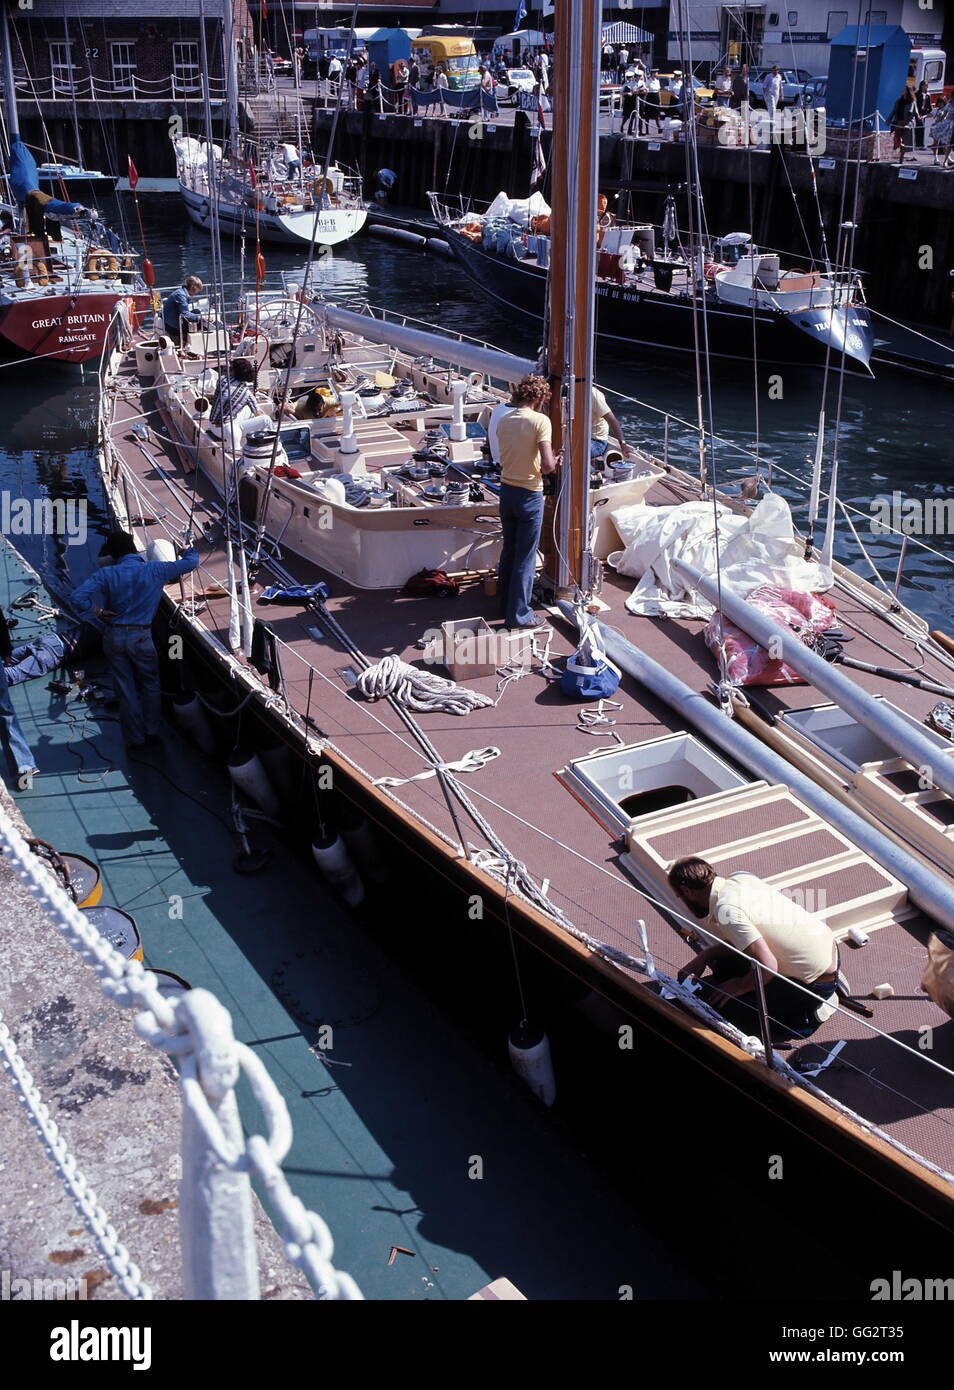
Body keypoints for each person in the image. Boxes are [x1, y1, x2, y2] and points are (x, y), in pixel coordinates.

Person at [668, 857, 842, 1042]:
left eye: (681, 897)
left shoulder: (725, 909)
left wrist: (739, 987)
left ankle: (804, 1017)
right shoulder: (741, 878)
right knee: (722, 962)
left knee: (723, 1011)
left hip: (813, 985)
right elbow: (745, 938)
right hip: (831, 953)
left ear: (687, 891)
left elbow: (768, 965)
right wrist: (704, 957)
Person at [71, 532, 200, 749]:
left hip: (114, 635)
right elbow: (191, 562)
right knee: (150, 684)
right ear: (132, 548)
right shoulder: (155, 570)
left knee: (125, 687)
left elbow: (77, 597)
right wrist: (187, 549)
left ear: (113, 554)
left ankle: (135, 739)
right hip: (141, 635)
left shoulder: (107, 573)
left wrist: (98, 611)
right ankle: (151, 731)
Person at [494, 375, 558, 630]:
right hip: (529, 495)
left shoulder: (503, 419)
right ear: (540, 398)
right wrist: (556, 461)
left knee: (509, 549)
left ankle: (505, 601)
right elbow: (547, 465)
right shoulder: (541, 421)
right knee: (526, 557)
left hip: (506, 491)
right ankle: (519, 614)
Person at [207, 356, 271, 447]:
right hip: (226, 432)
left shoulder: (222, 380)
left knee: (246, 409)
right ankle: (269, 440)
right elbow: (258, 414)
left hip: (212, 426)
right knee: (266, 420)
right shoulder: (247, 394)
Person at [592, 386, 634, 457]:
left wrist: (623, 444)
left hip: (596, 441)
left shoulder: (593, 394)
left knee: (571, 450)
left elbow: (612, 420)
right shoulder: (570, 392)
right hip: (579, 437)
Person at [163, 275, 204, 342]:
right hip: (173, 326)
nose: (196, 293)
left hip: (173, 320)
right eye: (197, 290)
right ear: (193, 287)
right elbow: (185, 314)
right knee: (199, 319)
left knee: (196, 312)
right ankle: (189, 341)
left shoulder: (181, 292)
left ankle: (190, 338)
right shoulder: (181, 295)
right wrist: (201, 317)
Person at [889, 86, 916, 163]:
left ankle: (901, 158)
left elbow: (912, 113)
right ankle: (901, 149)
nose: (902, 91)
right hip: (899, 122)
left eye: (904, 90)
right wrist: (889, 120)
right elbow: (893, 111)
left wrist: (909, 123)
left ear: (907, 91)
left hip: (907, 123)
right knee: (897, 138)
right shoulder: (899, 101)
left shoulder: (912, 101)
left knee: (905, 140)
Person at [932, 93, 954, 166]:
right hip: (948, 124)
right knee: (945, 142)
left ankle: (947, 160)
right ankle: (943, 160)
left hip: (952, 124)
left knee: (949, 143)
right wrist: (938, 122)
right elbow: (944, 114)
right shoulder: (950, 103)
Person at [762, 65, 782, 134]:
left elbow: (780, 86)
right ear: (772, 70)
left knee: (773, 108)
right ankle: (772, 121)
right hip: (769, 93)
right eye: (774, 70)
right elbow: (764, 86)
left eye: (777, 70)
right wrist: (764, 94)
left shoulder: (779, 77)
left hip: (776, 94)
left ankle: (770, 119)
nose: (775, 71)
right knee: (772, 107)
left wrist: (782, 95)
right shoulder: (769, 76)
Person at [914, 79, 933, 151]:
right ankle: (919, 144)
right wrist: (917, 113)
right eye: (925, 85)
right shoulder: (917, 94)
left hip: (924, 112)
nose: (926, 87)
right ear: (921, 86)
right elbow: (915, 104)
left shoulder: (928, 95)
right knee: (920, 127)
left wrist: (930, 110)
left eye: (927, 86)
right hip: (918, 112)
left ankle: (919, 144)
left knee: (921, 127)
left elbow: (929, 104)